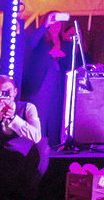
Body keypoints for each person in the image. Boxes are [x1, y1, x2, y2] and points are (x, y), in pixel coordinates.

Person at [20, 12, 74, 147]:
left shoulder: (65, 42)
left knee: (56, 117)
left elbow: (71, 63)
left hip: (59, 82)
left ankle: (56, 146)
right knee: (40, 115)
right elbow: (30, 43)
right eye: (53, 21)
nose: (56, 24)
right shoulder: (41, 39)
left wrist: (62, 55)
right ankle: (38, 147)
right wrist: (45, 25)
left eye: (58, 21)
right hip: (41, 82)